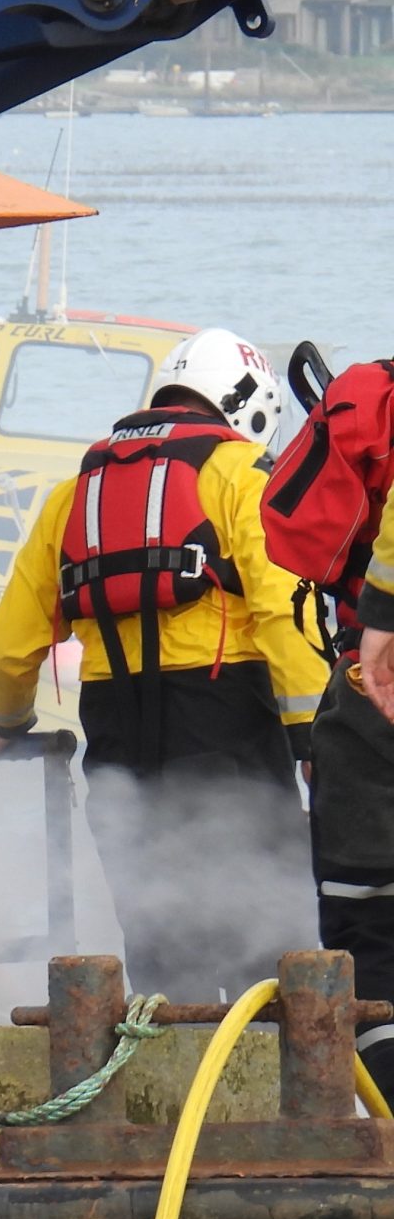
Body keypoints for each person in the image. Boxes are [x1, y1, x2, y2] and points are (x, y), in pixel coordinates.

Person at [0, 329, 326, 1001]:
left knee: (161, 936)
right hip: (227, 727)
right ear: (249, 410)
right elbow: (287, 611)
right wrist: (314, 737)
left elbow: (4, 646)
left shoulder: (73, 493)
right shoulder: (243, 477)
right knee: (267, 937)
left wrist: (9, 719)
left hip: (117, 739)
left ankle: (171, 1084)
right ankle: (269, 1093)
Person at [261, 348, 394, 1085]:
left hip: (373, 696)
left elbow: (292, 542)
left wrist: (381, 613)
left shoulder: (370, 399)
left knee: (365, 928)